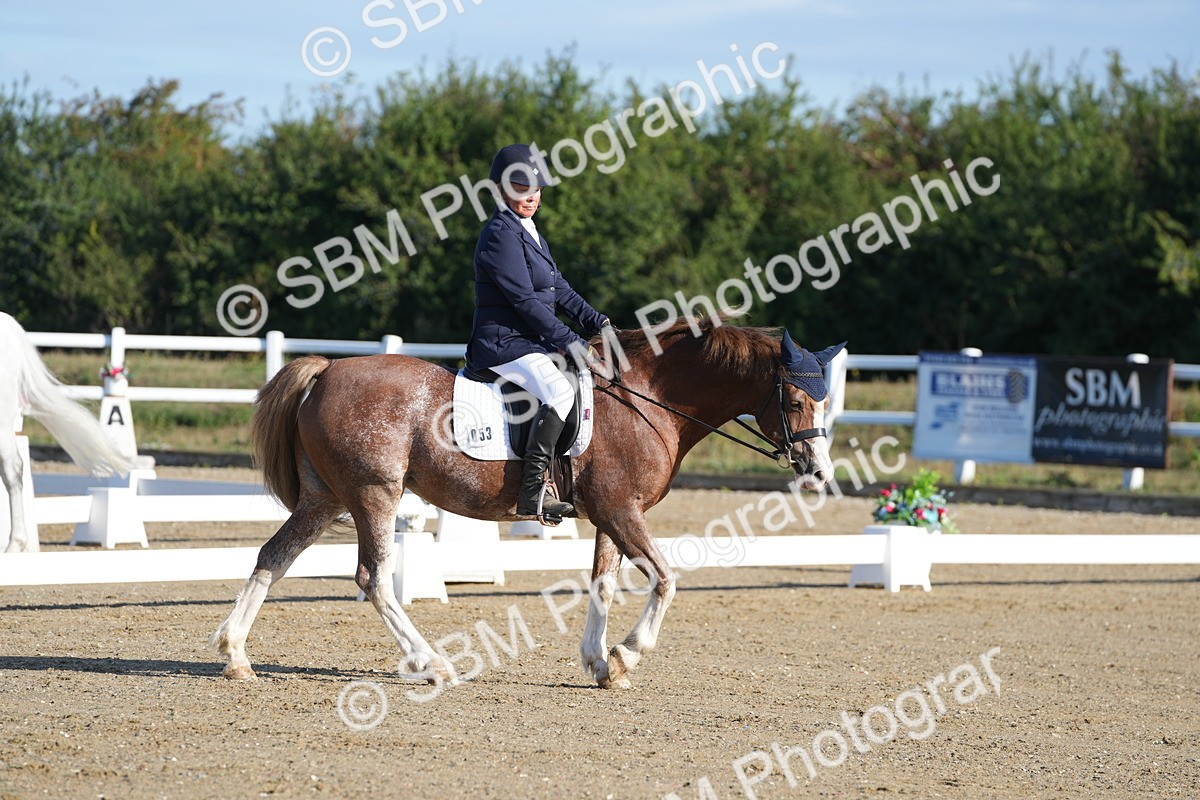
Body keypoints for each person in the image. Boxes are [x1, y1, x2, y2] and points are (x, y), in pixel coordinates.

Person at [465, 143, 611, 521]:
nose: (530, 196)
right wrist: (574, 343)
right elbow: (526, 302)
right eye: (520, 188)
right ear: (501, 189)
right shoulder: (499, 234)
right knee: (559, 390)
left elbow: (558, 289)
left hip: (529, 341)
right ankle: (532, 493)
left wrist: (599, 322)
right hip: (503, 344)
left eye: (535, 188)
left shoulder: (528, 231)